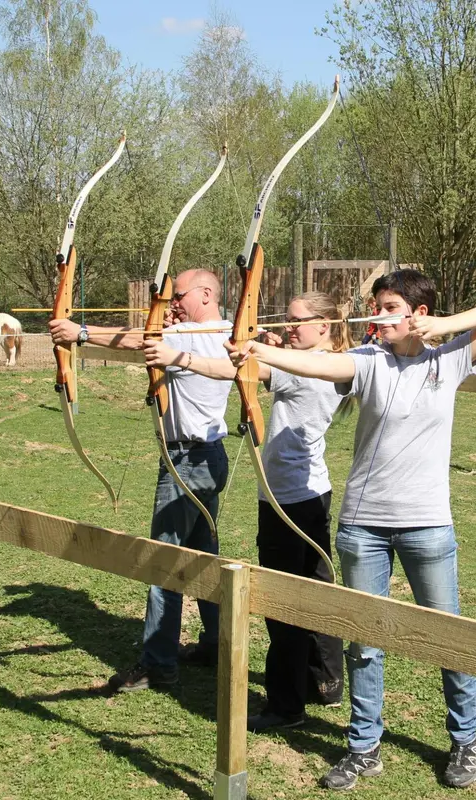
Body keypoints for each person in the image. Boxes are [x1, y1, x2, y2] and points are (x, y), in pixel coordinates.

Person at [227, 269, 476, 791]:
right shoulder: (367, 361)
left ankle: (465, 740)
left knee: (448, 636)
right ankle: (363, 748)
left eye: (387, 307)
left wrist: (447, 327)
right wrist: (260, 353)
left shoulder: (450, 357)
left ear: (418, 314)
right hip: (363, 527)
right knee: (366, 642)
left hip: (428, 524)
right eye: (375, 306)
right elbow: (317, 364)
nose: (375, 316)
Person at [145, 291, 347, 730]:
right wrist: (268, 345)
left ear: (325, 326)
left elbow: (225, 370)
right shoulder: (332, 361)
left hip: (287, 500)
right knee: (316, 590)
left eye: (298, 321)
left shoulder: (298, 369)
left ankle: (285, 707)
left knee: (282, 604)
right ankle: (326, 683)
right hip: (312, 494)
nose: (290, 327)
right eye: (288, 321)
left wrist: (175, 354)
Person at [49, 268, 233, 692]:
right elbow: (148, 338)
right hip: (206, 457)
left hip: (187, 460)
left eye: (178, 296)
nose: (170, 306)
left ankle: (158, 664)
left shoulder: (192, 335)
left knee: (162, 560)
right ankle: (216, 644)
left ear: (206, 294)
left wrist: (79, 332)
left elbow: (137, 340)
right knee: (202, 555)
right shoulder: (219, 334)